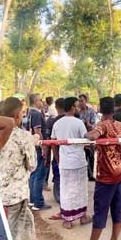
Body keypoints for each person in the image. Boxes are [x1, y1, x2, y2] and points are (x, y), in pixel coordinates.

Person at [0, 97, 49, 240]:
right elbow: (32, 165)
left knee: (28, 224)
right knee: (13, 239)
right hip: (15, 195)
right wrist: (31, 142)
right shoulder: (22, 136)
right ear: (17, 116)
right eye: (22, 114)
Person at [72, 97, 121, 240]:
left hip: (106, 174)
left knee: (101, 209)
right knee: (117, 209)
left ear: (100, 110)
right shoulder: (120, 125)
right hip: (119, 171)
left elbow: (93, 136)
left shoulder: (102, 124)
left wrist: (87, 133)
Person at [51, 97, 92, 229]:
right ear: (72, 108)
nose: (78, 107)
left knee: (66, 189)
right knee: (80, 189)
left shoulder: (57, 123)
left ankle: (67, 220)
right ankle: (82, 216)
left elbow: (53, 143)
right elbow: (86, 140)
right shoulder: (79, 123)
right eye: (76, 105)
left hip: (64, 161)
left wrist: (57, 158)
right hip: (78, 161)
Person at [26, 94, 50, 211]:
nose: (42, 102)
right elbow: (37, 131)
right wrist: (44, 147)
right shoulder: (36, 114)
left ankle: (32, 200)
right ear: (36, 101)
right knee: (39, 175)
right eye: (41, 100)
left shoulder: (28, 113)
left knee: (33, 174)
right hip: (38, 146)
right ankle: (38, 202)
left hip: (31, 145)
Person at [44, 98, 66, 218]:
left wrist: (47, 157)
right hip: (69, 154)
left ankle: (59, 196)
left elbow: (49, 142)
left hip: (57, 153)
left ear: (56, 107)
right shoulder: (74, 120)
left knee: (58, 174)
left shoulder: (52, 121)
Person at [77, 94, 98, 181]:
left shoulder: (91, 111)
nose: (80, 103)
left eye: (82, 100)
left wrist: (88, 124)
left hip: (90, 136)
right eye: (79, 101)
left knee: (91, 156)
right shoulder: (77, 112)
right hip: (80, 138)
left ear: (86, 101)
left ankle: (90, 175)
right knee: (81, 156)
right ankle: (81, 175)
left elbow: (94, 126)